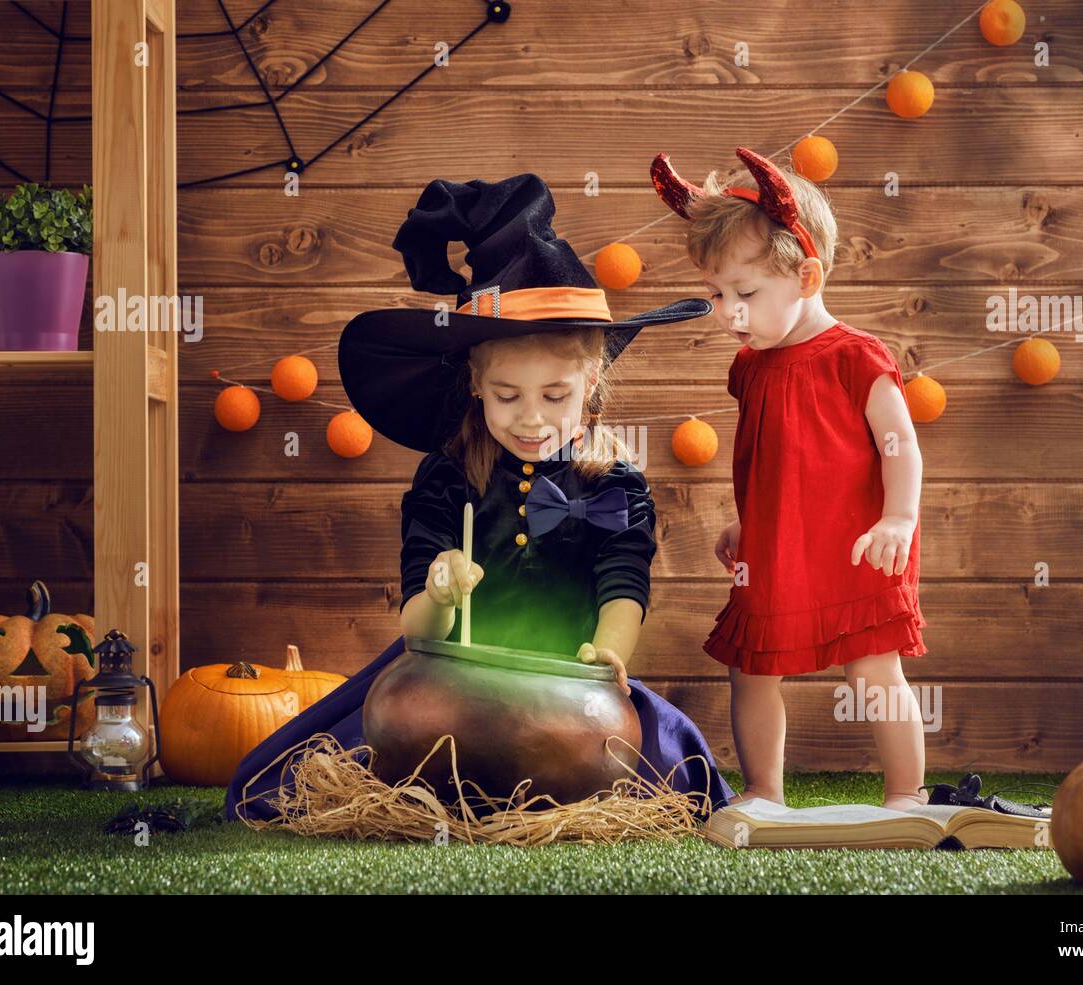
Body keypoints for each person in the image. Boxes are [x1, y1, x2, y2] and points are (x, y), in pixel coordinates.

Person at [226, 172, 735, 824]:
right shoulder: (446, 479)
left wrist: (610, 649)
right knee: (375, 731)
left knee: (647, 763)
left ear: (591, 384)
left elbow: (622, 584)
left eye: (555, 396)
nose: (531, 418)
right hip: (449, 682)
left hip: (570, 690)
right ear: (475, 382)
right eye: (507, 395)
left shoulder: (614, 484)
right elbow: (417, 629)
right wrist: (439, 593)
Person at [651, 147, 929, 810]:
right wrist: (749, 522)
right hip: (778, 547)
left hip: (861, 541)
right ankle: (765, 790)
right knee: (751, 668)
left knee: (872, 669)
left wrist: (898, 517)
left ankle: (907, 792)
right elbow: (776, 460)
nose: (728, 312)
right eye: (717, 294)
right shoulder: (751, 368)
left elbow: (901, 446)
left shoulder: (856, 357)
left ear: (806, 276)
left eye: (745, 295)